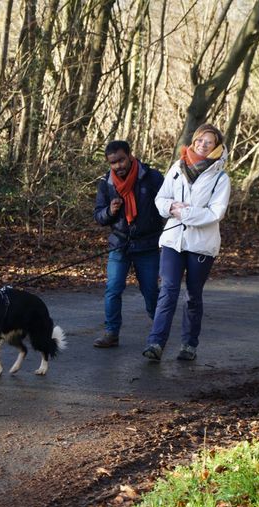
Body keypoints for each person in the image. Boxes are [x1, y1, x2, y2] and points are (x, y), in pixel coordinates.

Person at [143, 123, 231, 362]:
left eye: (209, 142)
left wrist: (186, 214)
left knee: (193, 295)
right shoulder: (177, 168)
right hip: (173, 240)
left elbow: (216, 213)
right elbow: (161, 198)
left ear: (216, 146)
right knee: (168, 291)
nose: (203, 144)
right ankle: (155, 343)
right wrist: (171, 207)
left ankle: (189, 345)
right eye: (200, 140)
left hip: (201, 245)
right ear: (194, 141)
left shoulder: (220, 178)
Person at [93, 140, 164, 347]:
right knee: (113, 288)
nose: (118, 166)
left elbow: (168, 204)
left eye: (121, 160)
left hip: (148, 244)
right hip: (119, 244)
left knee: (150, 290)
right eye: (113, 163)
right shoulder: (106, 183)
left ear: (130, 155)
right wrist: (110, 211)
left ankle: (159, 332)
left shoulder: (152, 177)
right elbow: (98, 216)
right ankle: (111, 333)